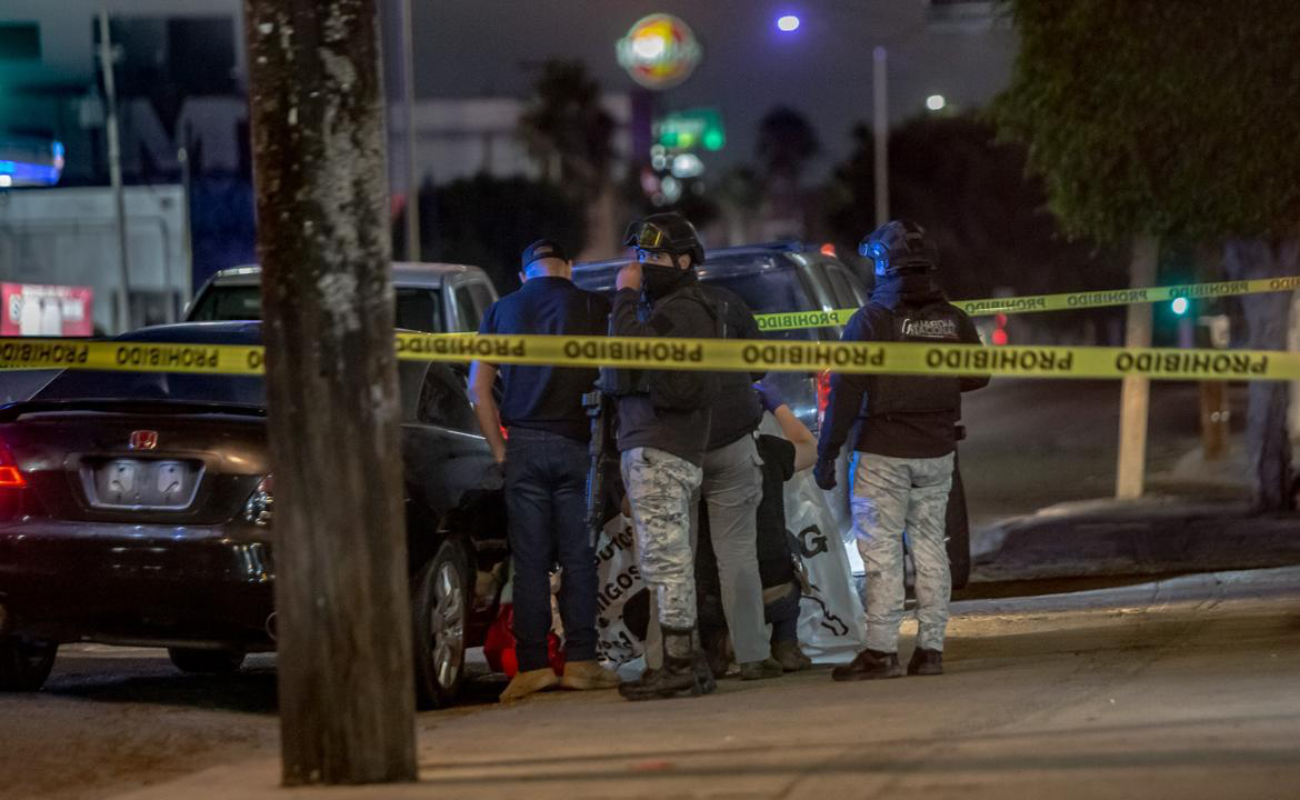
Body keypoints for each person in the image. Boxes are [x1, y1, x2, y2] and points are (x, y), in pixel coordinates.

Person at [813, 220, 988, 681]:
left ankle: (881, 652)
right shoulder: (952, 318)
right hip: (937, 451)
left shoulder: (870, 320)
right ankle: (931, 651)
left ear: (884, 265)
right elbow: (978, 375)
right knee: (931, 547)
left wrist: (827, 452)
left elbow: (846, 393)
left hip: (883, 453)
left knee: (882, 553)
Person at [469, 239, 619, 701]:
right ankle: (580, 661)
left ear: (523, 275)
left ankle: (532, 666)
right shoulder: (596, 304)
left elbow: (478, 386)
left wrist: (499, 449)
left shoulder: (501, 310)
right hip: (579, 445)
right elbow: (616, 377)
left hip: (524, 449)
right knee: (578, 557)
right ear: (568, 268)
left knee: (529, 563)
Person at [607, 213, 722, 702]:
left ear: (683, 261)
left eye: (652, 257)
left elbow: (631, 355)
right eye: (639, 256)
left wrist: (625, 296)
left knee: (666, 562)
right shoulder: (680, 307)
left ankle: (677, 664)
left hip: (660, 446)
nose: (642, 265)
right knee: (668, 560)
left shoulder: (680, 311)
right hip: (661, 445)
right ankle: (691, 662)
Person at [698, 378, 819, 675]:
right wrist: (778, 406)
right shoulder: (769, 450)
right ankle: (785, 643)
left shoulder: (689, 462)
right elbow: (811, 448)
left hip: (708, 600)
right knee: (786, 547)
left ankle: (717, 646)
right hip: (776, 593)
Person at [694, 283, 783, 681]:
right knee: (738, 553)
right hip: (731, 439)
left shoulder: (640, 307)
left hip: (673, 445)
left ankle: (673, 660)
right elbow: (759, 366)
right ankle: (752, 654)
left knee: (673, 558)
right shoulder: (728, 299)